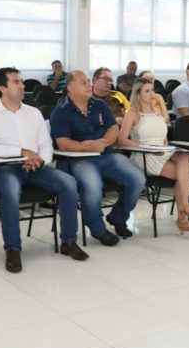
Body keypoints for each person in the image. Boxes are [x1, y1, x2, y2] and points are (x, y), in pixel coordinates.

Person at [0, 67, 88, 273]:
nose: (23, 85)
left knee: (69, 183)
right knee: (11, 192)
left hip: (37, 168)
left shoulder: (33, 113)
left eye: (22, 81)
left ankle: (68, 241)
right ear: (2, 88)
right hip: (7, 168)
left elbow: (46, 145)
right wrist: (21, 152)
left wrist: (40, 160)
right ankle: (13, 248)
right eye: (16, 82)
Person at [50, 70, 146, 245]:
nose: (89, 85)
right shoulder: (61, 111)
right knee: (93, 185)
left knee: (137, 178)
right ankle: (97, 228)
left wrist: (103, 142)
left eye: (88, 81)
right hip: (78, 159)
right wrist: (85, 146)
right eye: (83, 82)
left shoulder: (99, 105)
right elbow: (63, 143)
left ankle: (118, 217)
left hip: (105, 154)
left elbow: (113, 129)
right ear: (70, 87)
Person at [118, 78, 189, 233]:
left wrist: (167, 146)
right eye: (147, 91)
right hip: (145, 154)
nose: (152, 94)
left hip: (162, 150)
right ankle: (182, 215)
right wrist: (140, 145)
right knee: (181, 174)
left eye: (152, 90)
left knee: (185, 156)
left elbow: (164, 136)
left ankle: (184, 207)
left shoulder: (157, 110)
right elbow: (121, 140)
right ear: (138, 94)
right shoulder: (132, 112)